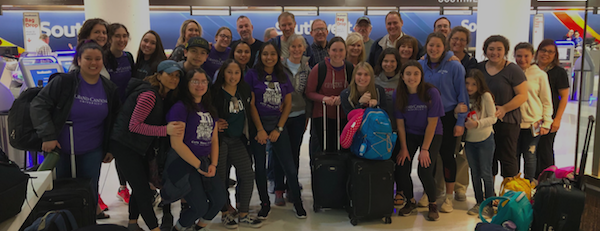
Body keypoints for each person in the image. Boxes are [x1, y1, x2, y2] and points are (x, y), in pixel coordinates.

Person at [31, 41, 119, 220]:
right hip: (60, 149)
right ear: (79, 60)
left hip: (92, 150)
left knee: (89, 190)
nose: (93, 63)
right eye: (88, 58)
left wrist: (110, 148)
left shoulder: (108, 88)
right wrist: (48, 135)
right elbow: (38, 105)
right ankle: (61, 223)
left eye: (97, 59)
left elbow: (113, 120)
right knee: (60, 191)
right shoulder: (64, 82)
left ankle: (87, 222)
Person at [110, 60, 185, 231]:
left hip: (134, 145)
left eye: (177, 76)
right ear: (159, 75)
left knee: (140, 186)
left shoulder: (160, 94)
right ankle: (154, 228)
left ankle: (132, 223)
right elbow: (134, 125)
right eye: (170, 74)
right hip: (125, 145)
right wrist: (165, 130)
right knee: (143, 190)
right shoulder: (150, 95)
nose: (174, 79)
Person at [245, 42, 307, 219]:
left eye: (272, 54)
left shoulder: (282, 75)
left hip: (278, 126)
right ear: (260, 56)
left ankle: (297, 202)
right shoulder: (252, 75)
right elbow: (251, 104)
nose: (269, 57)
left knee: (289, 166)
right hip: (258, 126)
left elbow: (287, 104)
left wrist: (279, 128)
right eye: (265, 54)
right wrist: (260, 130)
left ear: (278, 57)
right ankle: (265, 203)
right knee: (260, 169)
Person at [165, 69, 227, 231]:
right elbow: (176, 144)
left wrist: (213, 163)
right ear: (187, 84)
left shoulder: (209, 108)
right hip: (183, 162)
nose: (200, 85)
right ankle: (177, 229)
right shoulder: (180, 108)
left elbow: (214, 140)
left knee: (220, 200)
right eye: (195, 81)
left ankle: (197, 228)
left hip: (205, 161)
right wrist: (199, 165)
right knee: (199, 207)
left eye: (204, 81)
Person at [418, 32, 468, 213]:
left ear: (444, 47)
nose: (434, 49)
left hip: (447, 117)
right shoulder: (420, 65)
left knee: (447, 156)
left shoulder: (455, 66)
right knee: (428, 157)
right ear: (426, 46)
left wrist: (460, 122)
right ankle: (427, 192)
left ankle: (448, 197)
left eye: (438, 46)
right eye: (431, 45)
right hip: (426, 117)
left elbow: (463, 96)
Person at [212, 59, 263, 229]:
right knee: (220, 179)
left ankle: (244, 214)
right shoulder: (215, 92)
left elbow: (250, 109)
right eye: (229, 72)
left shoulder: (244, 89)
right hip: (219, 142)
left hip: (237, 139)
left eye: (236, 72)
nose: (233, 76)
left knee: (247, 174)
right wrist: (214, 122)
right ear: (222, 73)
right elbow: (203, 111)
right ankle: (225, 213)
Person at [394, 60, 443, 221]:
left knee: (425, 168)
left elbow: (433, 122)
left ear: (422, 76)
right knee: (402, 165)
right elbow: (400, 124)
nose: (412, 77)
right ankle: (410, 200)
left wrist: (425, 149)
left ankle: (432, 203)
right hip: (409, 133)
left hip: (431, 133)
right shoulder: (399, 94)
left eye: (416, 73)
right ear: (402, 76)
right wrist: (404, 148)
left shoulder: (431, 93)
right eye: (408, 73)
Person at [477, 35, 528, 179]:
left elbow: (522, 95)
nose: (495, 52)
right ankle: (490, 195)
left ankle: (509, 197)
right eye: (491, 49)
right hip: (486, 122)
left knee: (508, 159)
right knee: (488, 159)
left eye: (499, 49)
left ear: (505, 51)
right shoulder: (479, 68)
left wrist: (504, 109)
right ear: (485, 50)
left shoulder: (513, 70)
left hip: (507, 122)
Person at [276, 33, 311, 206]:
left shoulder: (307, 69)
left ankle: (292, 187)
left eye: (299, 46)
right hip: (280, 118)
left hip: (299, 116)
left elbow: (308, 94)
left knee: (294, 153)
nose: (296, 49)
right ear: (288, 48)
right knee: (278, 155)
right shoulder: (279, 67)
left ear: (304, 48)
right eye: (293, 46)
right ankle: (278, 190)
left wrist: (307, 117)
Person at [306, 37, 353, 159]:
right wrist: (324, 98)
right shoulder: (319, 68)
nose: (337, 54)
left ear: (346, 51)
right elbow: (309, 92)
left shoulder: (350, 68)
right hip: (322, 116)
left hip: (344, 116)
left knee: (344, 150)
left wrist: (342, 98)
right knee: (326, 150)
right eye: (334, 50)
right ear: (328, 51)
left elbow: (355, 90)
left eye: (341, 50)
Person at [514, 42, 553, 182]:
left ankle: (529, 184)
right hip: (514, 122)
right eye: (519, 56)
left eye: (526, 56)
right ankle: (515, 185)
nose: (522, 59)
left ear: (532, 56)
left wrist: (547, 122)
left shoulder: (540, 75)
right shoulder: (511, 71)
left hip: (534, 122)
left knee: (530, 155)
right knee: (514, 155)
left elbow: (546, 100)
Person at [461, 69, 496, 219]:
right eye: (467, 83)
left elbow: (493, 118)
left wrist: (477, 124)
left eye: (474, 84)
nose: (469, 87)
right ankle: (479, 202)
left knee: (486, 174)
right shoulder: (462, 97)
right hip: (469, 141)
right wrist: (458, 112)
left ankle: (489, 205)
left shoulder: (485, 96)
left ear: (479, 84)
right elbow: (459, 116)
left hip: (484, 139)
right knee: (474, 173)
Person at [447, 25, 477, 203]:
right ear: (449, 39)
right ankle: (441, 185)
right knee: (443, 152)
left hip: (464, 111)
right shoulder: (441, 58)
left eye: (462, 40)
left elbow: (472, 87)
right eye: (455, 39)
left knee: (461, 153)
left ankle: (460, 187)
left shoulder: (471, 63)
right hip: (444, 111)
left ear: (466, 43)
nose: (458, 42)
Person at [534, 39, 570, 177]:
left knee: (545, 148)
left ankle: (548, 180)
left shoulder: (558, 72)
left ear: (555, 54)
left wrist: (557, 119)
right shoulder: (532, 69)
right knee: (533, 150)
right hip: (533, 117)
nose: (546, 54)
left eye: (550, 52)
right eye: (543, 50)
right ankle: (533, 179)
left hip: (549, 117)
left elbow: (564, 97)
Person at [105, 23, 136, 102]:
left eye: (124, 36)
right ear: (109, 39)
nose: (122, 40)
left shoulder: (129, 57)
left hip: (126, 105)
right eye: (117, 36)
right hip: (109, 106)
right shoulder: (103, 58)